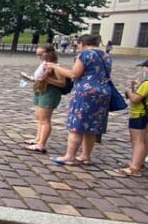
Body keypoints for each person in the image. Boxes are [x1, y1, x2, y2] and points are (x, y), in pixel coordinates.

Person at [46, 34, 110, 165]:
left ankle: (69, 156)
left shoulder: (84, 54)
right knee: (91, 127)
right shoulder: (106, 55)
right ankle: (85, 156)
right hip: (103, 92)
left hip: (85, 93)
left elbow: (73, 74)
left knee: (77, 125)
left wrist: (55, 66)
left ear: (81, 43)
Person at [117, 58, 148, 176]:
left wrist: (129, 91)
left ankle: (135, 167)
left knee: (137, 141)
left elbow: (135, 99)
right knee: (143, 140)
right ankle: (139, 162)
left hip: (139, 114)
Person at [23, 44, 66, 154]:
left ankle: (42, 144)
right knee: (39, 118)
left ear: (49, 53)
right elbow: (39, 77)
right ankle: (38, 139)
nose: (39, 56)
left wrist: (48, 80)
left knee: (45, 120)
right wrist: (33, 79)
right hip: (40, 91)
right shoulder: (44, 64)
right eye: (37, 54)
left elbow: (62, 83)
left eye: (41, 54)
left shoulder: (56, 66)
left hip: (50, 93)